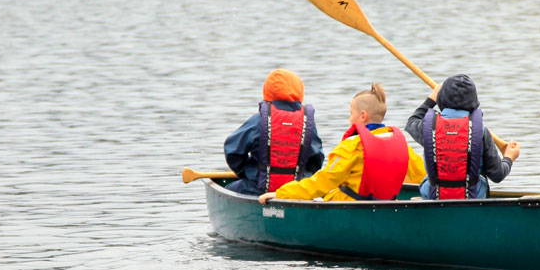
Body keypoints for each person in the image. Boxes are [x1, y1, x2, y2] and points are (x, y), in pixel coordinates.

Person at [259, 84, 426, 203]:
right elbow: (423, 176)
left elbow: (322, 182)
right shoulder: (402, 146)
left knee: (326, 193)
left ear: (362, 115)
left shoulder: (352, 146)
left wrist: (281, 193)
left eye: (350, 113)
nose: (349, 119)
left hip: (352, 206)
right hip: (389, 206)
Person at [404, 74, 520, 199]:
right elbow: (497, 175)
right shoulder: (482, 133)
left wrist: (432, 98)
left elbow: (411, 122)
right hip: (472, 198)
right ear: (474, 103)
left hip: (434, 197)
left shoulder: (427, 128)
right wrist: (509, 157)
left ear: (441, 100)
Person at [223, 68, 324, 196]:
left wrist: (247, 172)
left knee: (227, 190)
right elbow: (317, 158)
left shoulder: (258, 120)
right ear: (299, 91)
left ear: (266, 92)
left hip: (255, 188)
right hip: (295, 190)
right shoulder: (307, 123)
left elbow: (233, 151)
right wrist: (304, 176)